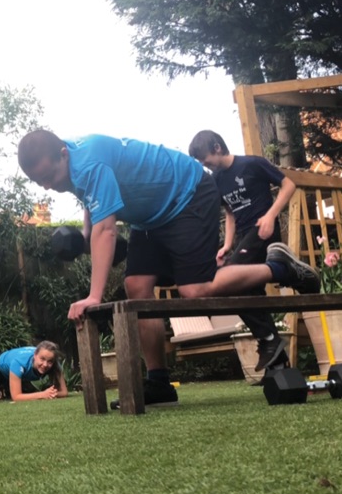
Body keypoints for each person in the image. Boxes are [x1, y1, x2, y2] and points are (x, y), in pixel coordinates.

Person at [17, 130, 320, 407]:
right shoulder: (70, 165)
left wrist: (93, 296)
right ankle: (159, 383)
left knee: (194, 289)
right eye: (39, 181)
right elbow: (91, 201)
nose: (48, 185)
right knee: (137, 288)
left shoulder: (87, 162)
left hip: (188, 195)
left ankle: (279, 268)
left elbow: (107, 230)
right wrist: (84, 237)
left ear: (63, 153)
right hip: (150, 218)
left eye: (49, 175)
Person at [189, 130, 295, 372]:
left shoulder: (252, 164)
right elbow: (230, 213)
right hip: (244, 240)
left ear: (217, 147)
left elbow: (289, 184)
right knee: (245, 291)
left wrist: (270, 215)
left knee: (226, 282)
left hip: (264, 232)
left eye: (204, 158)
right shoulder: (217, 179)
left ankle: (269, 339)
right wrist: (226, 246)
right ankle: (277, 360)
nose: (203, 164)